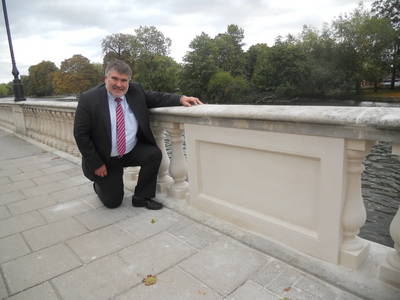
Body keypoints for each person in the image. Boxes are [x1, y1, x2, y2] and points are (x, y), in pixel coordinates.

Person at [73, 60, 202, 210]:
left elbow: (157, 98)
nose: (119, 84)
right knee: (113, 202)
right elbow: (80, 134)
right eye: (114, 78)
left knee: (153, 154)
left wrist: (181, 99)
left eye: (124, 80)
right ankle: (99, 184)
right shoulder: (89, 99)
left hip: (130, 151)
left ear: (129, 81)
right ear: (106, 78)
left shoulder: (135, 90)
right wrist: (96, 163)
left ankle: (141, 197)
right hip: (106, 159)